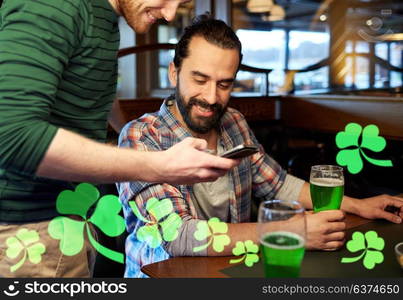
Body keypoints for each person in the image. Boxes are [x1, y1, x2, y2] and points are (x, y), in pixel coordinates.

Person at [117, 14, 403, 278]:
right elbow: (177, 235)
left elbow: (278, 185)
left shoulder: (234, 122)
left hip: (229, 271)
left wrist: (359, 205)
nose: (212, 97)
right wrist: (292, 232)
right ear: (174, 73)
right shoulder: (140, 137)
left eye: (225, 84)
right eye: (200, 79)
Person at [0, 0, 239, 278]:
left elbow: (87, 86)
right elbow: (13, 136)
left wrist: (130, 130)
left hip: (70, 216)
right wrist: (160, 164)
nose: (170, 13)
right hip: (28, 230)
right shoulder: (57, 6)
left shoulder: (100, 15)